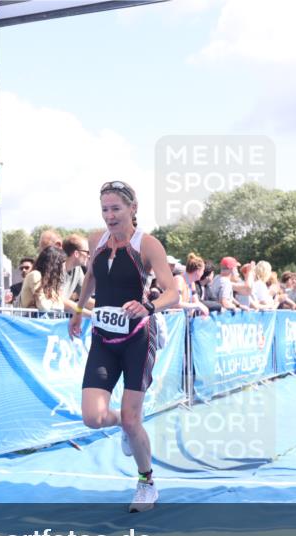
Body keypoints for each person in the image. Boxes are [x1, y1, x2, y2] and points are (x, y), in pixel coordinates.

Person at [69, 180, 179, 512]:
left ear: (133, 208)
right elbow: (91, 277)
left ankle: (146, 483)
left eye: (116, 208)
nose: (110, 216)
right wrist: (79, 310)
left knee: (134, 420)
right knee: (93, 417)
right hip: (103, 337)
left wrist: (148, 306)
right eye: (104, 209)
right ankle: (126, 425)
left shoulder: (147, 245)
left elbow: (174, 292)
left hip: (137, 339)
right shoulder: (95, 240)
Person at [21, 245, 67, 312]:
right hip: (30, 320)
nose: (64, 267)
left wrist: (52, 301)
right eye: (62, 263)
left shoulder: (49, 282)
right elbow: (44, 307)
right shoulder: (35, 275)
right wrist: (53, 301)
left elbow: (60, 306)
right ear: (55, 265)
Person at [61, 235, 90, 311]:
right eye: (87, 252)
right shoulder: (56, 269)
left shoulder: (78, 270)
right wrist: (92, 315)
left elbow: (85, 299)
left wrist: (105, 309)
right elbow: (59, 301)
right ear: (76, 253)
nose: (89, 256)